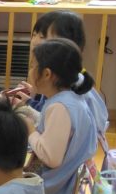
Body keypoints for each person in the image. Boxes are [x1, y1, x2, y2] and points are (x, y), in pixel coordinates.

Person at [10, 38, 98, 194]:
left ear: (46, 74)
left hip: (53, 189)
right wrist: (26, 110)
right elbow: (53, 127)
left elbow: (51, 157)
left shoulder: (59, 107)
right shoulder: (71, 99)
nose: (30, 71)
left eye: (32, 66)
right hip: (66, 183)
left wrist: (31, 131)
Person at [19, 10, 109, 138]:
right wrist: (31, 100)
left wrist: (29, 118)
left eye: (43, 37)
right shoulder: (58, 79)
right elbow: (46, 111)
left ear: (67, 44)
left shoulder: (67, 89)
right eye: (34, 35)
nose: (35, 41)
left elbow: (52, 122)